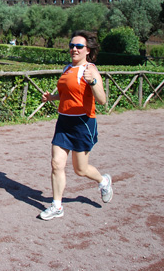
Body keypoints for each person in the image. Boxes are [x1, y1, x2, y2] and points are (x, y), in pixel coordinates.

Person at [38, 30, 113, 221]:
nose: (74, 49)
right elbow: (66, 94)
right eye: (72, 45)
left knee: (80, 170)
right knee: (56, 164)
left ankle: (103, 181)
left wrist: (94, 81)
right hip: (64, 122)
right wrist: (51, 97)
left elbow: (102, 100)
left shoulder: (91, 69)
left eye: (79, 46)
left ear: (88, 50)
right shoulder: (67, 69)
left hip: (83, 123)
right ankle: (57, 206)